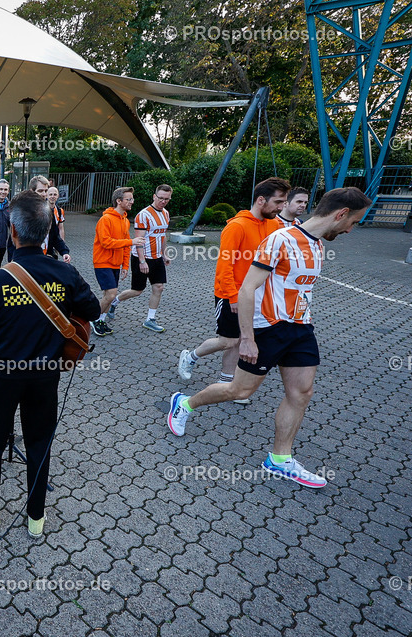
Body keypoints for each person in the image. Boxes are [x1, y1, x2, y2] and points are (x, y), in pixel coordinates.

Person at [167, 188, 371, 488]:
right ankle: (184, 404)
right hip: (267, 330)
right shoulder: (281, 239)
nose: (351, 229)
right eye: (353, 222)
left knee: (302, 393)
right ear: (340, 214)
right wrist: (247, 339)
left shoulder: (317, 246)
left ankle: (279, 459)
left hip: (301, 329)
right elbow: (248, 288)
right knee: (239, 391)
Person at [0, 191, 100, 537]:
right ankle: (36, 519)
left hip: (4, 377)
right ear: (46, 232)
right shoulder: (66, 272)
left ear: (12, 232)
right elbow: (93, 311)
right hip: (46, 376)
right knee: (40, 442)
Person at [177, 178, 291, 404]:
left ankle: (227, 381)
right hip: (231, 294)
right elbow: (224, 267)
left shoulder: (274, 224)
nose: (281, 207)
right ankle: (190, 356)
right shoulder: (236, 226)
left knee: (241, 340)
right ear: (261, 200)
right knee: (228, 341)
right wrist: (232, 297)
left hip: (256, 294)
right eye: (278, 202)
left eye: (284, 202)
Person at [108, 184, 173, 332]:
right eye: (160, 198)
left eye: (166, 199)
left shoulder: (166, 214)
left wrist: (165, 254)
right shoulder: (143, 215)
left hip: (157, 258)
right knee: (137, 290)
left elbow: (162, 236)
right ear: (154, 196)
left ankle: (150, 319)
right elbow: (139, 240)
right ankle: (114, 302)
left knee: (159, 287)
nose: (163, 201)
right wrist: (142, 261)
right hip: (141, 258)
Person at [90, 187, 147, 336]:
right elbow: (106, 242)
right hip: (102, 262)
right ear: (119, 201)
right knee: (111, 294)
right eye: (128, 199)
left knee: (107, 295)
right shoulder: (105, 219)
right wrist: (131, 241)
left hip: (115, 263)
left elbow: (127, 245)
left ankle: (101, 320)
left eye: (132, 199)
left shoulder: (125, 221)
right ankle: (93, 318)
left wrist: (125, 266)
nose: (132, 202)